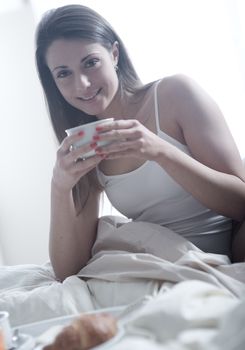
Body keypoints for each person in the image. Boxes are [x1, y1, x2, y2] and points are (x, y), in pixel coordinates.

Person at [35, 4, 245, 282]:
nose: (82, 84)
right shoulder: (87, 142)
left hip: (215, 262)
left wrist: (161, 151)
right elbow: (67, 272)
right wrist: (59, 187)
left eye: (90, 62)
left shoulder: (174, 95)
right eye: (63, 73)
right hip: (157, 268)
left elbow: (241, 203)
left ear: (114, 53)